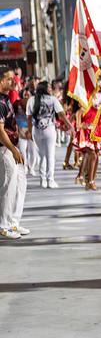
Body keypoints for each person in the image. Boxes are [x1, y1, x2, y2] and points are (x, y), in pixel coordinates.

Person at [0, 66, 28, 239]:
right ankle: (3, 224)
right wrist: (12, 149)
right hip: (4, 149)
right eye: (10, 79)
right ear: (2, 80)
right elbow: (0, 131)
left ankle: (13, 221)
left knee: (20, 183)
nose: (13, 81)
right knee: (8, 187)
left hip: (11, 147)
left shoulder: (5, 98)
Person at [26, 80, 70, 188]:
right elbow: (62, 115)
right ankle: (50, 180)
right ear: (45, 88)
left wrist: (29, 131)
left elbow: (29, 117)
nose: (51, 89)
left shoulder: (31, 100)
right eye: (49, 87)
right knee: (50, 155)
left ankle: (42, 180)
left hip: (36, 130)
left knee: (42, 156)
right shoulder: (52, 99)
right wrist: (70, 125)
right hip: (49, 130)